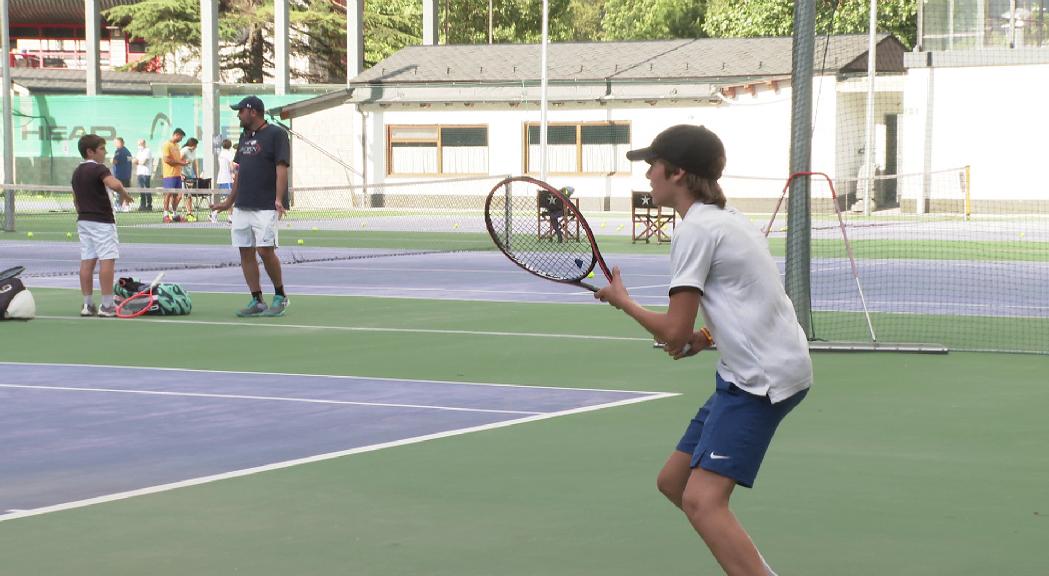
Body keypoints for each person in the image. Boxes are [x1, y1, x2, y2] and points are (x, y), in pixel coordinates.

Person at [594, 125, 812, 576]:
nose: (648, 174)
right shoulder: (727, 219)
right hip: (755, 370)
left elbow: (674, 332)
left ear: (676, 173)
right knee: (674, 482)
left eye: (653, 165)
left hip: (761, 382)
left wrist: (624, 302)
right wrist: (707, 338)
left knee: (701, 500)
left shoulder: (695, 231)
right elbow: (748, 302)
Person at [211, 96, 290, 317]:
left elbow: (281, 168)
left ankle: (280, 295)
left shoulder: (277, 134)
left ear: (252, 111)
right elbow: (241, 171)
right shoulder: (245, 137)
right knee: (245, 252)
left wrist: (278, 199)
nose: (238, 115)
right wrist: (229, 201)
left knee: (265, 250)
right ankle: (257, 299)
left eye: (240, 111)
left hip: (265, 205)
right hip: (242, 206)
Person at [72, 134, 134, 317]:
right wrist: (123, 192)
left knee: (87, 260)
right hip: (102, 222)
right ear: (90, 151)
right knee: (107, 260)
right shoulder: (99, 169)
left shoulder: (77, 172)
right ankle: (107, 306)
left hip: (83, 221)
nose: (105, 152)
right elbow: (113, 183)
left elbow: (75, 200)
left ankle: (87, 304)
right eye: (101, 149)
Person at [161, 128, 188, 223]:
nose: (181, 139)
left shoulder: (177, 146)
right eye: (181, 137)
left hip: (177, 175)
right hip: (169, 175)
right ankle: (165, 215)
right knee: (168, 194)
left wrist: (182, 165)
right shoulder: (166, 145)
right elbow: (167, 160)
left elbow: (177, 160)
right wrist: (180, 162)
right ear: (176, 135)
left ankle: (175, 214)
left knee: (179, 195)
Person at [211, 138, 236, 223]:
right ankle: (227, 216)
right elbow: (232, 166)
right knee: (230, 199)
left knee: (228, 199)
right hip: (227, 179)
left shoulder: (221, 153)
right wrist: (235, 171)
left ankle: (215, 213)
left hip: (221, 179)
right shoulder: (229, 154)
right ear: (230, 145)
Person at [178, 137, 200, 221]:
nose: (196, 147)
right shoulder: (184, 150)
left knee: (189, 195)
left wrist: (197, 175)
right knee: (183, 195)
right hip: (183, 175)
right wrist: (180, 174)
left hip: (191, 175)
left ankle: (189, 213)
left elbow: (195, 164)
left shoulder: (194, 151)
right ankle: (176, 213)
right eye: (195, 145)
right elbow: (178, 162)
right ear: (192, 145)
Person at [110, 137, 133, 212]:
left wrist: (111, 160)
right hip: (127, 175)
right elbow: (129, 161)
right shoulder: (128, 151)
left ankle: (118, 206)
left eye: (116, 142)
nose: (115, 144)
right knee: (125, 190)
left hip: (119, 175)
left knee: (118, 191)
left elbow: (115, 161)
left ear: (121, 143)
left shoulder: (118, 151)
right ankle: (126, 206)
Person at [133, 138, 154, 211]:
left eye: (140, 144)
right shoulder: (139, 151)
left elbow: (143, 162)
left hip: (146, 173)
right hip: (139, 173)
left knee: (146, 189)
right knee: (141, 190)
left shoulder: (147, 151)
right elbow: (135, 161)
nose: (139, 146)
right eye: (138, 144)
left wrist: (137, 161)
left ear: (144, 144)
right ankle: (142, 205)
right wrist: (137, 161)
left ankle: (149, 205)